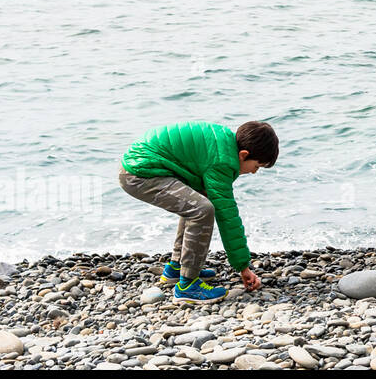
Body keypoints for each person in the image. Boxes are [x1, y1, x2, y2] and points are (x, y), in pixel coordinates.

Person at [119, 120, 277, 304]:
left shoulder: (224, 141)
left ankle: (177, 267)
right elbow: (228, 216)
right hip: (139, 174)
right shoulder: (222, 161)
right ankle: (187, 286)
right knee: (202, 209)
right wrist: (243, 267)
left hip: (142, 165)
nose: (254, 172)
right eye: (256, 166)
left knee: (196, 202)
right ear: (243, 155)